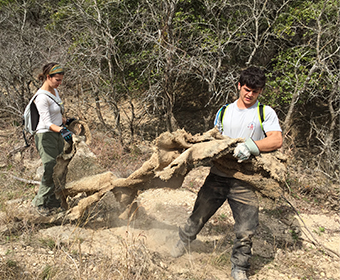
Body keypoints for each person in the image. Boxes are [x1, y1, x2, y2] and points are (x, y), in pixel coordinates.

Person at [171, 66, 283, 280]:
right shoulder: (224, 111)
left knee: (246, 229)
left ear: (261, 92)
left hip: (245, 179)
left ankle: (240, 268)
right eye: (247, 89)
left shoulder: (264, 112)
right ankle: (182, 243)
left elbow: (276, 139)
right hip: (218, 175)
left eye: (255, 91)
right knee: (198, 215)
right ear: (239, 86)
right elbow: (214, 140)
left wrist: (252, 146)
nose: (250, 94)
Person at [31, 62, 74, 216]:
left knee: (60, 167)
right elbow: (47, 122)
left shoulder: (54, 92)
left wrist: (65, 121)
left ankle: (53, 200)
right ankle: (39, 203)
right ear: (48, 77)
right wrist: (62, 130)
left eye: (61, 80)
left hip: (57, 133)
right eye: (57, 80)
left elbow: (55, 114)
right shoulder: (41, 97)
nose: (60, 83)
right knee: (50, 167)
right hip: (45, 135)